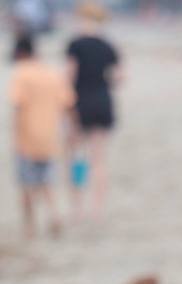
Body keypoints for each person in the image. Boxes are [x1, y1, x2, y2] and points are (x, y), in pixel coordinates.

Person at [9, 35, 74, 238]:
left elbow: (18, 105)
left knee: (26, 185)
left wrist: (14, 135)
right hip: (50, 137)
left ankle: (30, 227)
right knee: (47, 182)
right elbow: (67, 104)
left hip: (26, 139)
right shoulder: (52, 73)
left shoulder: (21, 73)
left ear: (20, 53)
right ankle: (54, 216)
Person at [65, 2, 122, 220]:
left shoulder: (75, 44)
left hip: (80, 104)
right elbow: (119, 77)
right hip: (103, 102)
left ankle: (77, 208)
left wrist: (67, 107)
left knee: (78, 158)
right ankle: (97, 210)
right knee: (99, 160)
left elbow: (68, 78)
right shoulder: (109, 46)